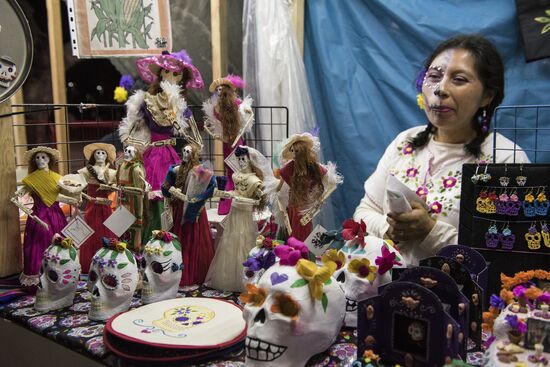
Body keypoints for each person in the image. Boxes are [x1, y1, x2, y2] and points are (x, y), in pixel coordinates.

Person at [353, 35, 529, 266]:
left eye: (458, 79)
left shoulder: (505, 157)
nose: (440, 89)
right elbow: (365, 211)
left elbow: (509, 250)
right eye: (434, 77)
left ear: (487, 95)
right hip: (389, 292)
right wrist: (391, 228)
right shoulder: (405, 142)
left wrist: (430, 231)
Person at [119, 50, 203, 244]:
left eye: (177, 74)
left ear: (183, 78)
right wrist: (141, 145)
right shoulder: (147, 101)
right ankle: (149, 240)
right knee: (150, 196)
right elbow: (128, 133)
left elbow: (196, 138)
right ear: (160, 74)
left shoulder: (180, 106)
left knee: (174, 196)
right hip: (151, 156)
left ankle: (170, 241)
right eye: (167, 72)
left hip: (171, 156)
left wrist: (194, 147)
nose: (171, 77)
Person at [204, 146, 274, 292]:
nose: (241, 162)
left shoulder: (255, 181)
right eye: (239, 159)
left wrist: (241, 199)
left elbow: (257, 201)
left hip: (245, 214)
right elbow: (235, 191)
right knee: (230, 242)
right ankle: (228, 277)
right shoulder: (236, 176)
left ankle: (245, 277)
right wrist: (225, 193)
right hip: (234, 212)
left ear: (250, 160)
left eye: (243, 159)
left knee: (245, 241)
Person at [11, 147, 68, 286]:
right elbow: (18, 196)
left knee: (60, 244)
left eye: (44, 157)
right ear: (33, 161)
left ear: (50, 159)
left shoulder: (58, 178)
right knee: (38, 245)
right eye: (37, 158)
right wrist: (21, 202)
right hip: (38, 217)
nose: (40, 160)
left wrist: (75, 196)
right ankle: (39, 278)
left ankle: (62, 275)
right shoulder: (31, 179)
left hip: (56, 216)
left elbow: (67, 192)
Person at [162, 143, 216, 286]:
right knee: (181, 238)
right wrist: (171, 190)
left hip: (194, 209)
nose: (185, 153)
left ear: (194, 154)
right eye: (184, 150)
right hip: (179, 207)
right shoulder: (175, 169)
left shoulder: (201, 171)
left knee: (194, 238)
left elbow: (212, 188)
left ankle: (196, 272)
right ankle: (177, 271)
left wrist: (196, 199)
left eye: (188, 151)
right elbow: (165, 187)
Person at [78, 143, 117, 273]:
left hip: (106, 209)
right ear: (93, 156)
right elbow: (78, 187)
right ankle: (87, 264)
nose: (100, 155)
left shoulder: (112, 173)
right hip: (91, 208)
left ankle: (108, 263)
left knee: (108, 232)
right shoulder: (85, 171)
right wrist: (79, 197)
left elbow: (118, 189)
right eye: (97, 153)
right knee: (90, 233)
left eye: (103, 153)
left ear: (107, 157)